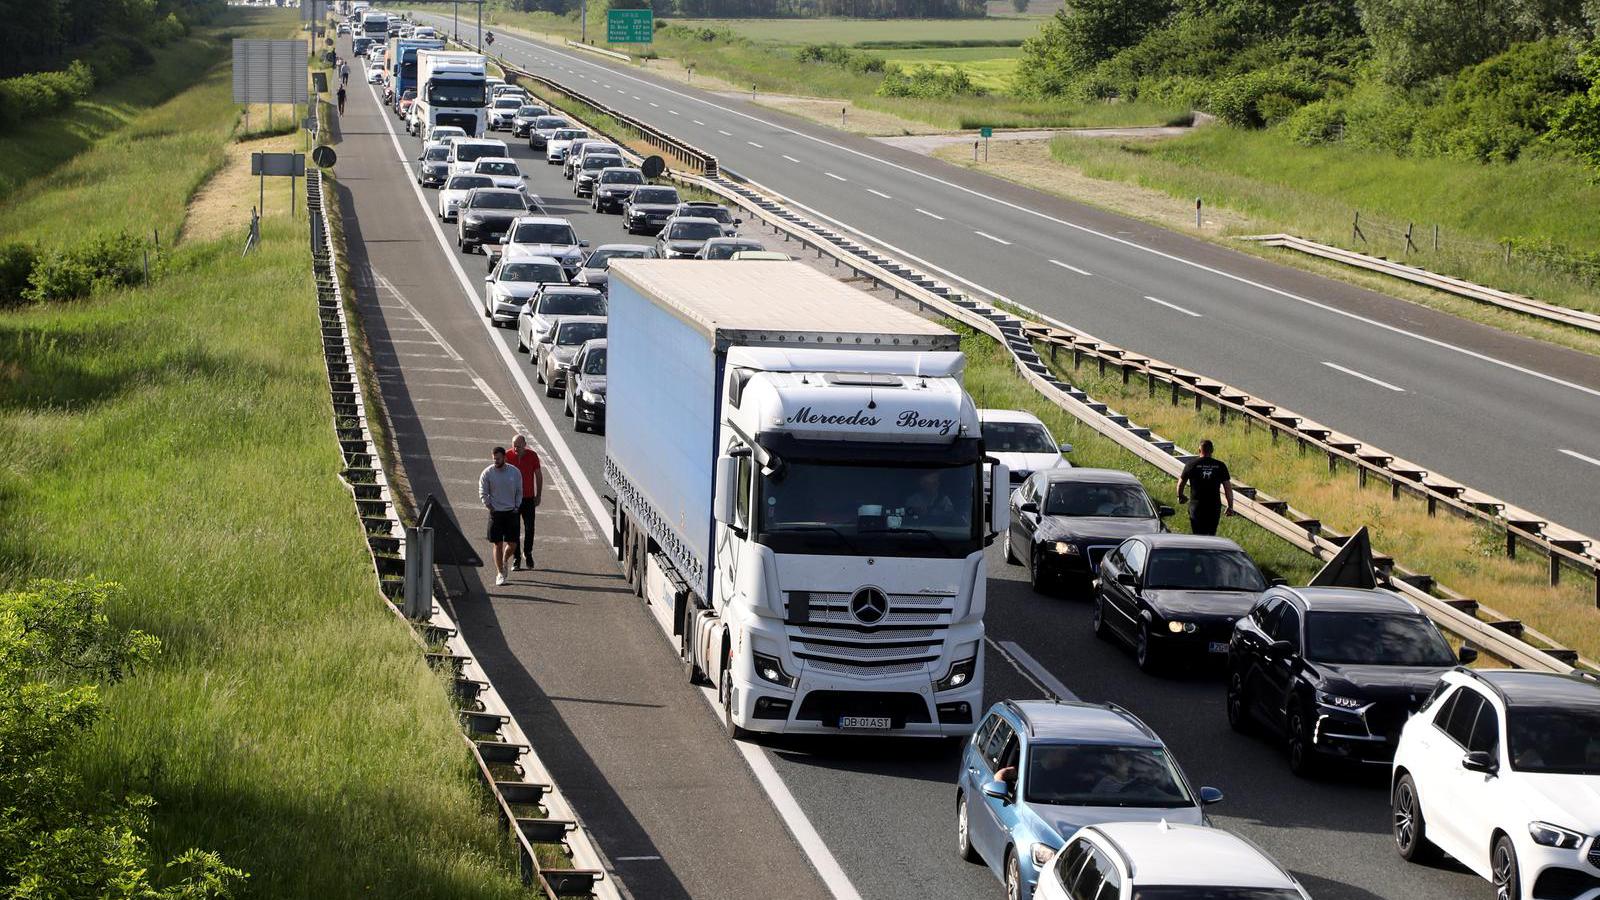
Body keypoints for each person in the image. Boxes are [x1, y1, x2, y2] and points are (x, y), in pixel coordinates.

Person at [479, 446, 523, 586]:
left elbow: (519, 491)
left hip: (511, 512)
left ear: (505, 457)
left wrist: (516, 506)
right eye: (494, 459)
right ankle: (500, 573)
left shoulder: (514, 472)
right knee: (497, 543)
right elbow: (483, 491)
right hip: (496, 513)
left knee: (513, 543)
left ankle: (505, 559)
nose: (496, 461)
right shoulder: (487, 473)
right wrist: (489, 506)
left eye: (498, 458)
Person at [1177, 439, 1234, 536]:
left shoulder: (1191, 465)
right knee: (1211, 535)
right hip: (1213, 507)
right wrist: (1230, 506)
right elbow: (1228, 488)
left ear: (1199, 450)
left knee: (1197, 535)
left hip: (1196, 506)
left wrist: (1180, 496)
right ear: (1212, 451)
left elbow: (1180, 484)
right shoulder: (1220, 466)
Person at [505, 433, 543, 571]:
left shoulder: (532, 456)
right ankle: (516, 558)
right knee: (514, 529)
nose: (516, 449)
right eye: (514, 446)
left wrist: (538, 495)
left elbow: (538, 476)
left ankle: (528, 552)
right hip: (512, 499)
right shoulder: (507, 456)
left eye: (519, 446)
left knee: (529, 528)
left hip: (528, 498)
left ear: (525, 445)